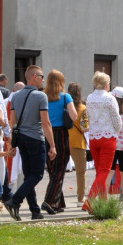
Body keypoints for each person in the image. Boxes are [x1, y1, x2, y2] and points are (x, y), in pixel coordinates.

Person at [4, 65, 57, 220]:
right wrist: (52, 145)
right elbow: (46, 122)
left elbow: (13, 121)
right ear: (34, 77)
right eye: (41, 76)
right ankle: (15, 200)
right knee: (38, 174)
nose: (43, 79)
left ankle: (35, 210)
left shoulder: (16, 96)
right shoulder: (41, 96)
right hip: (35, 138)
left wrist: (12, 144)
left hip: (21, 138)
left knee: (29, 175)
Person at [83, 71, 121, 212]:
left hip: (94, 137)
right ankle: (90, 200)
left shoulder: (90, 97)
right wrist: (117, 131)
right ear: (106, 84)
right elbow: (116, 119)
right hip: (108, 137)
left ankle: (104, 202)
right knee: (104, 171)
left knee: (100, 171)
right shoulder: (110, 98)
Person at [41, 70, 76, 213]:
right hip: (60, 133)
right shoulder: (65, 97)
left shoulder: (43, 96)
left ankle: (58, 202)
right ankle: (49, 201)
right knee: (60, 169)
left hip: (46, 132)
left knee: (52, 169)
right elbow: (73, 116)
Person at [66, 82, 88, 207]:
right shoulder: (83, 109)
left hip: (64, 139)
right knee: (81, 172)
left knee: (58, 171)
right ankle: (80, 198)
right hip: (78, 141)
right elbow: (85, 127)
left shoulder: (64, 106)